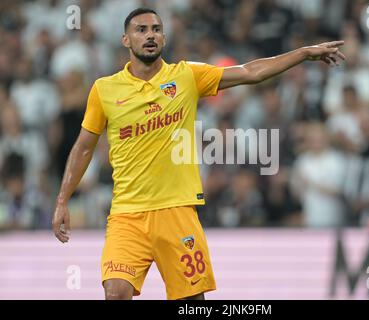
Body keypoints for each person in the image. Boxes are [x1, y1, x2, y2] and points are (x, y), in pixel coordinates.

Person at [52, 8, 345, 300]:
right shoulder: (104, 89)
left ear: (164, 37)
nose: (150, 35)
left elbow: (250, 72)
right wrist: (63, 200)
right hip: (127, 215)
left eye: (156, 29)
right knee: (115, 292)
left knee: (192, 303)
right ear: (126, 40)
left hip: (177, 211)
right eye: (141, 30)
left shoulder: (186, 76)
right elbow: (84, 146)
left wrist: (304, 53)